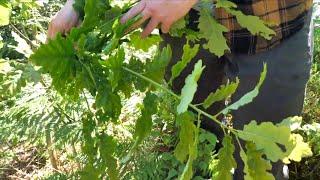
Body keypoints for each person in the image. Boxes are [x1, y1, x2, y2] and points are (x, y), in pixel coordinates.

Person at [48, 0, 314, 179]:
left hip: (271, 22)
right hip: (185, 26)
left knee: (263, 156)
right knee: (200, 117)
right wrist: (79, 4)